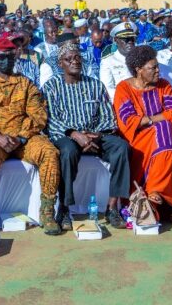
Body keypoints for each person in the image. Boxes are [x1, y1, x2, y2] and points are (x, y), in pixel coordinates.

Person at [0, 32, 61, 235]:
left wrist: (21, 137)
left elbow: (38, 115)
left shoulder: (26, 84)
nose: (7, 61)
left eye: (10, 56)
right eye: (2, 57)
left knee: (49, 152)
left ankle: (47, 210)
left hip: (23, 140)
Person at [43, 40, 130, 230]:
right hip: (67, 136)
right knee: (67, 151)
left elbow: (108, 117)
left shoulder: (95, 85)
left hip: (95, 135)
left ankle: (112, 207)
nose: (75, 61)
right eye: (69, 59)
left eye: (77, 58)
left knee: (121, 147)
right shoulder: (51, 86)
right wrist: (75, 134)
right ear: (60, 64)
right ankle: (64, 208)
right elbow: (50, 120)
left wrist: (95, 135)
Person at [114, 45, 172, 231]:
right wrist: (158, 120)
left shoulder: (164, 85)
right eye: (153, 68)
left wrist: (150, 121)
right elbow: (129, 121)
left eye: (158, 66)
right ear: (138, 70)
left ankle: (155, 192)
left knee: (166, 131)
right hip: (138, 141)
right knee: (165, 129)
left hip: (166, 139)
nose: (158, 71)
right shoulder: (124, 89)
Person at [100, 21, 137, 101]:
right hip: (122, 101)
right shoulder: (108, 61)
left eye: (132, 38)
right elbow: (107, 87)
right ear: (116, 40)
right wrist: (126, 100)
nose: (130, 42)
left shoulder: (141, 58)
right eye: (126, 39)